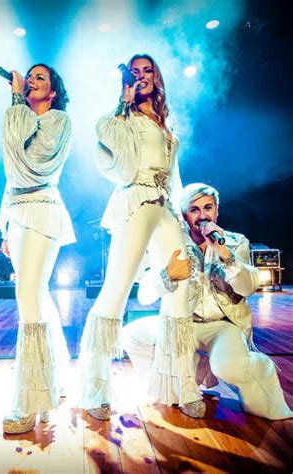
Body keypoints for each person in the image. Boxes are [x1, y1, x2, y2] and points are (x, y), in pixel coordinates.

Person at [78, 54, 199, 421]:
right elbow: (104, 134)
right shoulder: (123, 117)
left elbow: (174, 176)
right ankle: (95, 388)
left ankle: (182, 385)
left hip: (165, 207)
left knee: (181, 289)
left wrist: (180, 216)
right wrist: (123, 102)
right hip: (136, 201)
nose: (142, 76)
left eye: (148, 71)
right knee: (115, 292)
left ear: (157, 78)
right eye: (136, 72)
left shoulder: (164, 122)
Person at [122, 183, 292, 420]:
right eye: (194, 209)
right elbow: (144, 295)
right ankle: (176, 385)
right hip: (182, 325)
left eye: (208, 208)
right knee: (132, 335)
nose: (202, 216)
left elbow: (248, 287)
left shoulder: (234, 242)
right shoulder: (172, 244)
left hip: (222, 325)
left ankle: (259, 369)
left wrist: (224, 254)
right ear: (184, 215)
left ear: (217, 211)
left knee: (228, 367)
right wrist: (167, 275)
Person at [0, 63, 75, 434]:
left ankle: (31, 401)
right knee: (38, 298)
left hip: (43, 210)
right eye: (29, 77)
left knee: (28, 298)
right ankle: (54, 382)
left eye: (39, 77)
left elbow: (32, 164)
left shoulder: (59, 121)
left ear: (53, 91)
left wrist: (17, 99)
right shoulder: (19, 117)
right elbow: (11, 172)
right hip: (17, 213)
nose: (30, 80)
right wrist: (5, 225)